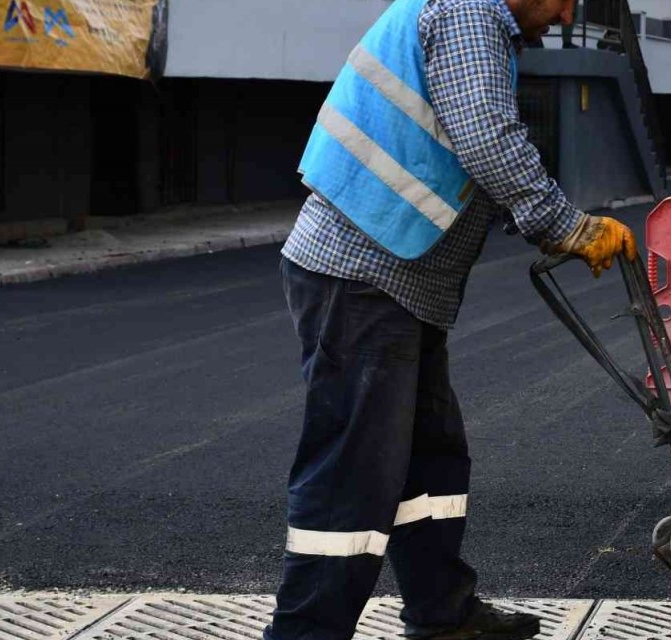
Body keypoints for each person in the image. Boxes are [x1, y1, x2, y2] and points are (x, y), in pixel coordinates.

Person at [263, 0, 636, 638]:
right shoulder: (469, 12)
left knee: (429, 457)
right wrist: (564, 226)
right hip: (362, 275)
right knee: (355, 472)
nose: (567, 11)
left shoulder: (469, 16)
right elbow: (487, 138)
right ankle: (305, 632)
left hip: (395, 280)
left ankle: (443, 613)